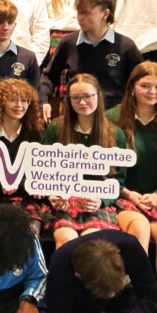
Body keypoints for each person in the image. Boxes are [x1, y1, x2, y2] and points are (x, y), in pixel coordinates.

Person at [107, 62, 157, 294]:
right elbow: (103, 169)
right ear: (132, 87)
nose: (152, 92)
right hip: (123, 196)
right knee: (139, 230)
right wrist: (129, 194)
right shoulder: (112, 120)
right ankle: (138, 298)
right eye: (145, 85)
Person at [42, 74, 127, 247]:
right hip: (64, 202)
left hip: (97, 203)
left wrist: (101, 200)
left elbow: (119, 180)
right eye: (76, 98)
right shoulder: (56, 129)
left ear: (98, 96)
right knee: (66, 240)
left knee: (94, 242)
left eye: (87, 96)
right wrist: (52, 195)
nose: (82, 102)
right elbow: (43, 172)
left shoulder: (115, 133)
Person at [44, 0, 145, 111]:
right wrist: (43, 101)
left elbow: (142, 82)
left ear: (105, 14)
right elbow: (49, 76)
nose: (80, 18)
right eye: (79, 12)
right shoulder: (69, 42)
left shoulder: (125, 46)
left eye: (86, 13)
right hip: (75, 115)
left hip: (113, 116)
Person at [0, 79, 48, 234]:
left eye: (24, 100)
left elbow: (39, 170)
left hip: (27, 198)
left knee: (30, 234)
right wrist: (1, 182)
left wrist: (31, 185)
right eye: (13, 100)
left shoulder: (36, 134)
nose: (19, 105)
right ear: (0, 103)